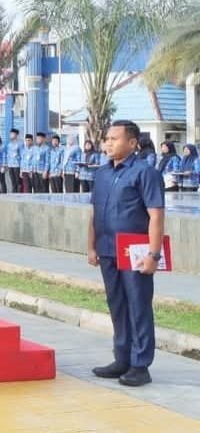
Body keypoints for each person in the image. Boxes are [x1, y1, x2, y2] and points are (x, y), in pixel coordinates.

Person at [89, 120, 165, 388]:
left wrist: (153, 255)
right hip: (107, 250)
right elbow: (95, 213)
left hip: (135, 252)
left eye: (114, 139)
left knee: (138, 305)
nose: (108, 143)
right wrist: (92, 246)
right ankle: (121, 357)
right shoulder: (101, 174)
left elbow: (156, 216)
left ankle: (140, 364)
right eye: (106, 139)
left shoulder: (145, 173)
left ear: (132, 143)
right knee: (117, 305)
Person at [5, 128, 22, 193]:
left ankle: (18, 195)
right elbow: (8, 155)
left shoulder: (20, 144)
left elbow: (22, 156)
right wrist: (7, 164)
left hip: (17, 166)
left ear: (16, 135)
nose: (11, 135)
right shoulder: (9, 145)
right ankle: (14, 195)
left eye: (12, 134)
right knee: (13, 182)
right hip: (10, 165)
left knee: (18, 182)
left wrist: (22, 168)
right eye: (10, 134)